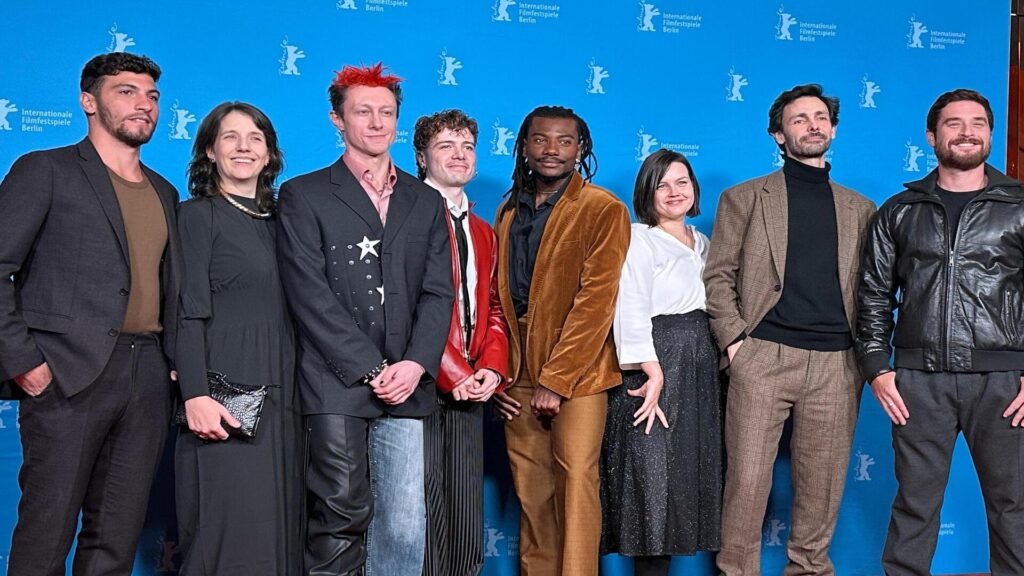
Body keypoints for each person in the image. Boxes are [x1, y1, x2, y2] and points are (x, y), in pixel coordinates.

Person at [0, 52, 182, 576]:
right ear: (88, 101)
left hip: (147, 378)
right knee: (46, 533)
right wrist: (25, 363)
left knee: (115, 540)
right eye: (126, 91)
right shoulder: (45, 170)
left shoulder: (165, 192)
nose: (143, 104)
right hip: (66, 374)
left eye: (152, 96)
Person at [276, 63, 453, 576]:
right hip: (336, 381)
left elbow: (438, 291)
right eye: (362, 112)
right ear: (337, 119)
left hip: (408, 382)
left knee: (404, 524)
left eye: (386, 112)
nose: (376, 123)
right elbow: (308, 293)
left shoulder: (425, 200)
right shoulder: (304, 193)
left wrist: (416, 365)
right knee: (340, 513)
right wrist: (372, 369)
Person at [703, 84, 875, 575]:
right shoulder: (744, 198)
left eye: (820, 117)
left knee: (823, 486)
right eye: (799, 119)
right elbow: (718, 276)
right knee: (747, 482)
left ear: (833, 129)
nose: (812, 125)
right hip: (763, 357)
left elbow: (872, 290)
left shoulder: (861, 209)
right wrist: (736, 344)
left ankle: (810, 569)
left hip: (837, 364)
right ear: (779, 135)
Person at [857, 88, 1024, 575]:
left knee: (1013, 507)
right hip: (919, 381)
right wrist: (877, 368)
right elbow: (873, 294)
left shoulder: (1019, 205)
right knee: (915, 506)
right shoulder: (899, 210)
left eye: (978, 123)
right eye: (954, 123)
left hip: (1005, 382)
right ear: (931, 136)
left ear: (990, 134)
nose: (967, 132)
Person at [491, 105, 631, 575]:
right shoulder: (508, 211)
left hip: (579, 370)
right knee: (531, 490)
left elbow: (596, 302)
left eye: (565, 141)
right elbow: (498, 298)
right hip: (517, 368)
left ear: (580, 149)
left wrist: (556, 379)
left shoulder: (603, 208)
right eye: (540, 139)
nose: (552, 150)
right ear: (523, 147)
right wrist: (500, 373)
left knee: (575, 481)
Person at [174, 101, 302, 575]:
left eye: (255, 138)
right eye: (230, 137)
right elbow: (186, 311)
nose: (243, 147)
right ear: (210, 150)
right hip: (226, 399)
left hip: (288, 401)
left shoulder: (290, 221)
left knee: (282, 538)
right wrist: (195, 395)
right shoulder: (197, 216)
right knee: (230, 535)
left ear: (269, 153)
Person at [602, 149, 722, 576]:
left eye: (681, 182)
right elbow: (630, 305)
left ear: (694, 189)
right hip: (656, 363)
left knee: (682, 481)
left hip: (699, 369)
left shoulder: (704, 243)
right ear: (646, 193)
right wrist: (650, 371)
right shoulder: (638, 239)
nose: (674, 192)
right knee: (651, 481)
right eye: (662, 184)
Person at [413, 108, 510, 576]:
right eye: (446, 146)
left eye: (467, 146)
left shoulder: (484, 231)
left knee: (466, 506)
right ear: (421, 157)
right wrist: (453, 372)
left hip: (473, 384)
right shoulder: (404, 220)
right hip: (421, 380)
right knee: (423, 503)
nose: (459, 155)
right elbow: (407, 308)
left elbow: (494, 307)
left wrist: (491, 368)